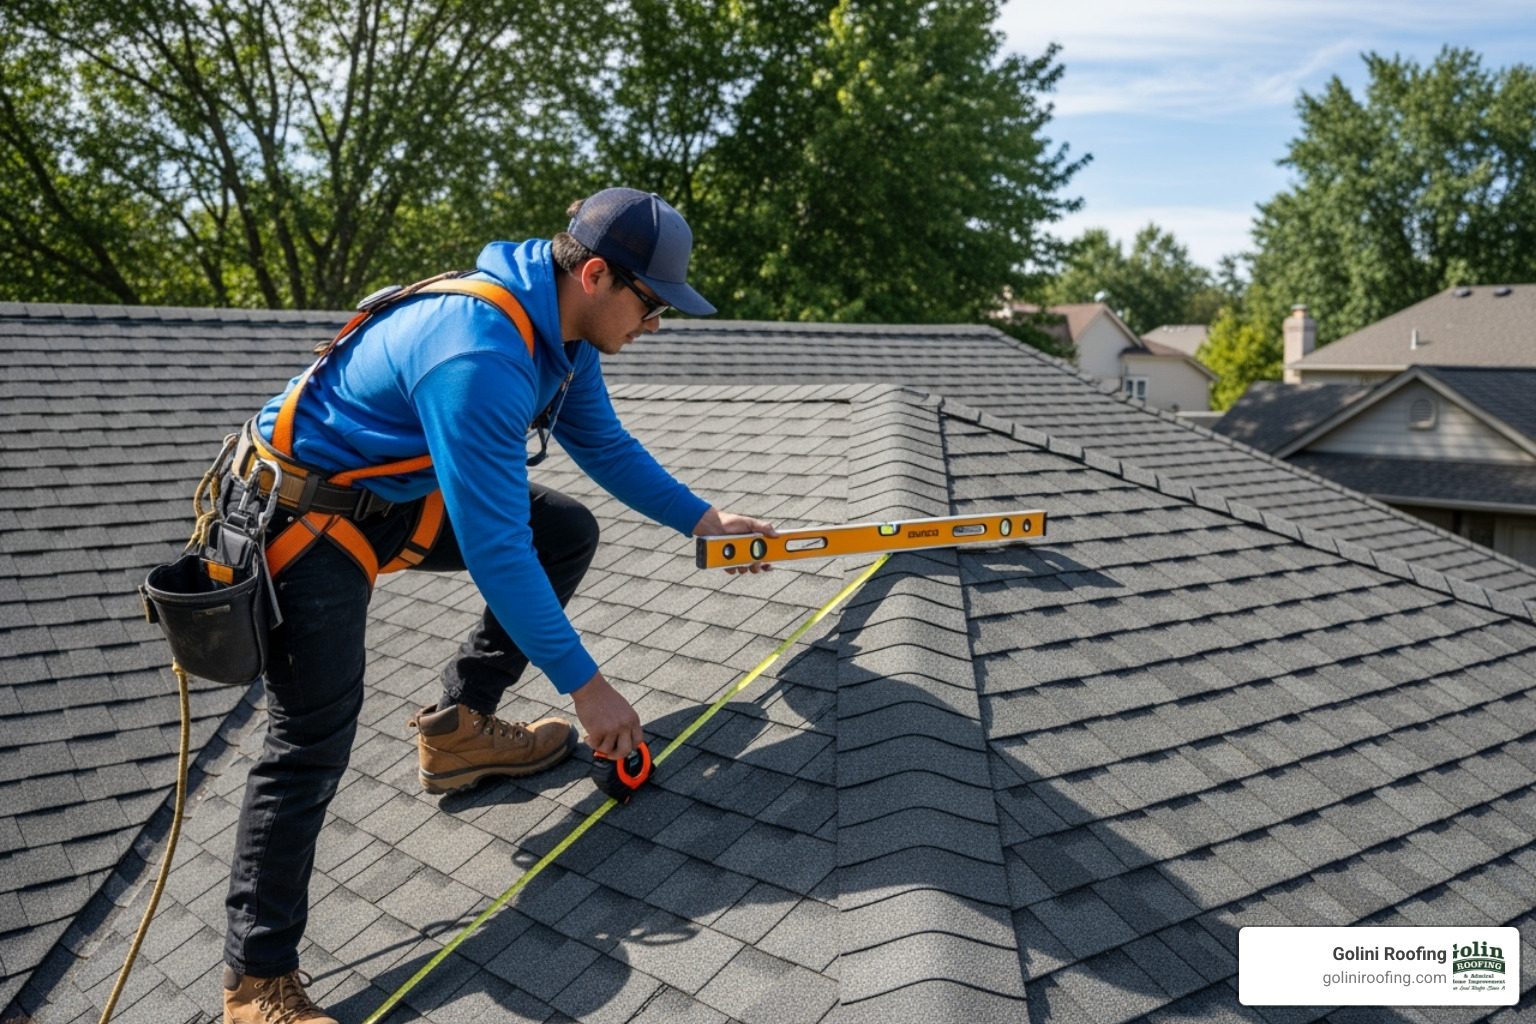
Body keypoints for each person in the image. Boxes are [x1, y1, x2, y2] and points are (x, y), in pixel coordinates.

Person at [218, 188, 775, 1024]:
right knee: (311, 737)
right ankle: (257, 983)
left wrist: (703, 520)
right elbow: (494, 548)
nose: (655, 325)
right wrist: (588, 688)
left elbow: (606, 447)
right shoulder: (477, 354)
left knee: (566, 532)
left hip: (380, 492)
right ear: (594, 274)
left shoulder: (563, 334)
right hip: (300, 518)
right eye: (652, 305)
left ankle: (461, 731)